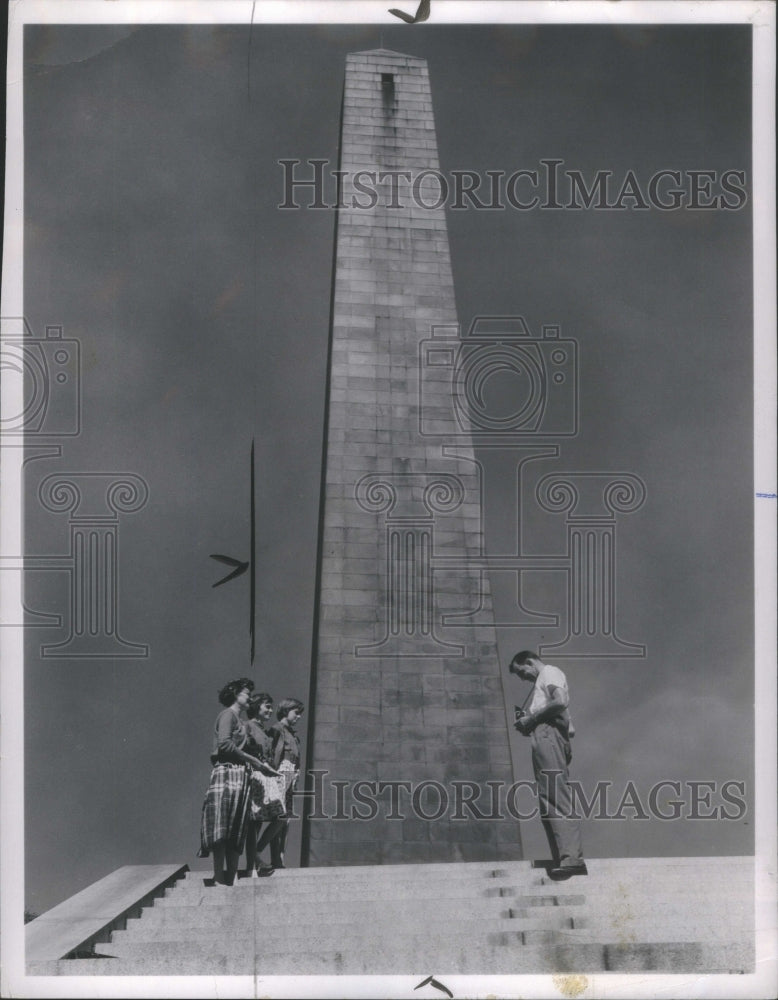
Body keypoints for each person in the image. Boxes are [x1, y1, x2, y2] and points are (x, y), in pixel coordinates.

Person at [509, 650, 588, 880]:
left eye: (521, 671)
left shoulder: (549, 672)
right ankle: (563, 858)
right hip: (545, 735)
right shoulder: (543, 681)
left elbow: (560, 701)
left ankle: (572, 858)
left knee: (555, 795)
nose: (523, 678)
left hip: (547, 735)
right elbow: (570, 728)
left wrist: (532, 719)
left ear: (530, 662)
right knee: (547, 799)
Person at [198, 677, 262, 886]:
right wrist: (250, 758)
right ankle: (218, 877)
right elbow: (224, 744)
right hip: (226, 772)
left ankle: (232, 876)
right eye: (246, 693)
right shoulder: (227, 715)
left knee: (236, 826)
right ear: (235, 694)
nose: (250, 697)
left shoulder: (242, 722)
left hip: (240, 774)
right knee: (221, 825)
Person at [243, 692, 286, 877]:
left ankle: (257, 853)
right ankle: (253, 864)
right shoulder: (247, 727)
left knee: (281, 817)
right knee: (255, 823)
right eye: (266, 706)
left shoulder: (264, 730)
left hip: (268, 778)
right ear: (256, 707)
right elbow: (241, 751)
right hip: (255, 776)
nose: (270, 710)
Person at [269, 698, 304, 869]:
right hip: (281, 772)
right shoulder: (277, 729)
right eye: (296, 713)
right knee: (279, 815)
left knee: (286, 819)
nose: (298, 717)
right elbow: (273, 754)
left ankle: (279, 860)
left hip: (292, 774)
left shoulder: (294, 735)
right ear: (285, 710)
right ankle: (268, 855)